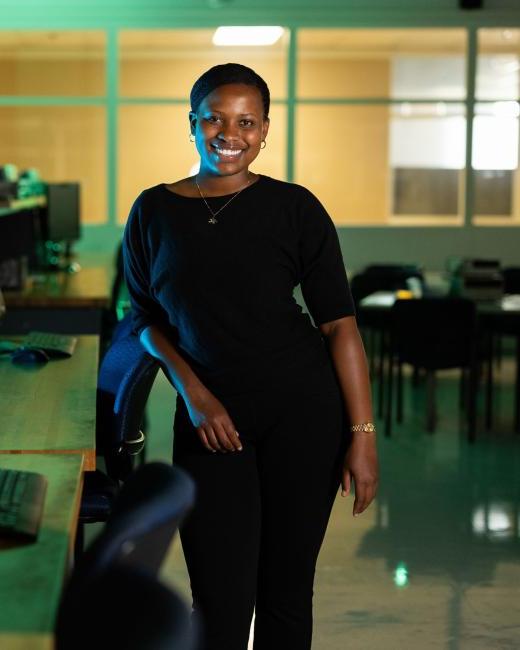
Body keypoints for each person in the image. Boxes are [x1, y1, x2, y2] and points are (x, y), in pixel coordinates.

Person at [122, 62, 379, 650]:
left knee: (287, 589)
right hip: (209, 420)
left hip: (304, 414)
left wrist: (362, 434)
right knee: (218, 594)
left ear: (266, 130)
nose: (228, 133)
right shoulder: (153, 211)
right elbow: (144, 321)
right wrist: (196, 394)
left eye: (246, 121)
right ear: (191, 124)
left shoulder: (295, 208)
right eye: (213, 117)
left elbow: (339, 324)